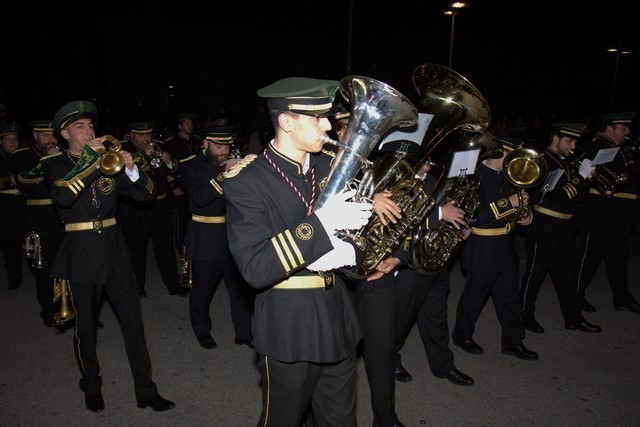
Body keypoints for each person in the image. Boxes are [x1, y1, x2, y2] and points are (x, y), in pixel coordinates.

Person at [222, 77, 373, 426]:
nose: (328, 125)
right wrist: (320, 227)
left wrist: (353, 251)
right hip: (289, 324)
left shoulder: (329, 164)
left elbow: (358, 232)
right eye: (317, 118)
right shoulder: (246, 181)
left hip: (338, 316)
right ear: (286, 121)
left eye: (327, 117)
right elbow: (256, 267)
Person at [41, 100, 175, 413]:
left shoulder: (108, 162)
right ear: (64, 134)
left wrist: (130, 168)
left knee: (134, 325)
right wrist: (91, 162)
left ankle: (146, 391)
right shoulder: (54, 165)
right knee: (85, 327)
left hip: (116, 253)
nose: (89, 132)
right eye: (80, 127)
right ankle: (91, 386)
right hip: (81, 254)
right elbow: (62, 196)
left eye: (90, 126)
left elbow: (147, 194)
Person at [452, 137, 539, 361]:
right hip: (482, 247)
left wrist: (525, 215)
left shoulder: (510, 177)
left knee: (510, 297)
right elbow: (473, 217)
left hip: (505, 245)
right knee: (475, 296)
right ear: (500, 153)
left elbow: (518, 206)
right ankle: (462, 335)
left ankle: (513, 341)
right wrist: (508, 203)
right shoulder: (472, 177)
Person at [394, 159, 475, 386]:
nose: (432, 159)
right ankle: (390, 359)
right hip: (409, 264)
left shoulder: (434, 181)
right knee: (400, 321)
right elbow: (401, 218)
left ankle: (443, 365)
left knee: (437, 318)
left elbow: (449, 212)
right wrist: (440, 213)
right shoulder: (397, 179)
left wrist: (457, 225)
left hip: (435, 261)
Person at [519, 122, 601, 333]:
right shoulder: (542, 162)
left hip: (566, 226)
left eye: (575, 141)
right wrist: (580, 179)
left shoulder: (567, 162)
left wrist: (585, 179)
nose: (573, 146)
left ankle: (573, 317)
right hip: (545, 224)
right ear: (555, 138)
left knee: (566, 276)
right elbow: (560, 198)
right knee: (535, 274)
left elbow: (579, 199)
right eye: (569, 141)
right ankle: (523, 314)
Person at [180, 124, 254, 349]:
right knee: (202, 290)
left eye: (227, 146)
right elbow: (201, 197)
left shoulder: (235, 162)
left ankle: (245, 333)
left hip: (233, 235)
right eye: (218, 145)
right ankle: (202, 330)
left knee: (241, 290)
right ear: (205, 143)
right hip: (205, 236)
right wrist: (226, 174)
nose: (224, 151)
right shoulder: (191, 166)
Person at [574, 111, 640, 313]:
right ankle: (574, 295)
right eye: (623, 128)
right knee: (588, 258)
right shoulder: (596, 146)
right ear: (609, 127)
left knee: (619, 258)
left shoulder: (622, 148)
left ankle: (622, 297)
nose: (627, 131)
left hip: (620, 213)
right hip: (599, 213)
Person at [117, 120, 186, 297]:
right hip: (136, 208)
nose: (146, 138)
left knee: (165, 248)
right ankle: (137, 287)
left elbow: (175, 169)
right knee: (136, 250)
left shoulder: (160, 146)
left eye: (148, 134)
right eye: (141, 135)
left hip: (160, 205)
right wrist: (143, 155)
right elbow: (124, 175)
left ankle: (173, 284)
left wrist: (169, 161)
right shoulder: (122, 150)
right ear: (131, 135)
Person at [12, 119, 63, 326]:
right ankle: (49, 310)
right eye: (45, 136)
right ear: (35, 136)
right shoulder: (22, 156)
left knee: (72, 265)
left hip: (64, 215)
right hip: (39, 217)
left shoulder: (63, 152)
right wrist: (48, 161)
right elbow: (24, 181)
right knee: (44, 269)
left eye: (52, 135)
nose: (50, 140)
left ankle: (77, 308)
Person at [164, 112, 202, 254]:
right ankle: (181, 246)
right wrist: (173, 185)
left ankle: (196, 244)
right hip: (180, 185)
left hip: (197, 185)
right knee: (182, 218)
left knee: (197, 217)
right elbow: (165, 168)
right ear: (180, 126)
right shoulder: (170, 143)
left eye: (191, 123)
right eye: (187, 123)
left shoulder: (198, 141)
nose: (190, 125)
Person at [0, 123, 26, 289]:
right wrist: (7, 180)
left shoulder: (22, 156)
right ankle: (14, 277)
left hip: (24, 205)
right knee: (11, 245)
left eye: (15, 139)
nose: (12, 142)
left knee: (29, 243)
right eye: (8, 139)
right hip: (6, 208)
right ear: (1, 142)